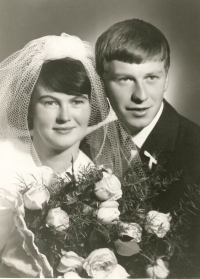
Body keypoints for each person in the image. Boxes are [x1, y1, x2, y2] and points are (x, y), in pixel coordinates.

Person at [0, 33, 135, 277]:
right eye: (50, 102)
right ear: (29, 109)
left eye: (76, 102)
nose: (65, 116)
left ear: (91, 108)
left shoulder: (95, 179)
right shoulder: (4, 160)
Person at [95, 18, 200, 277]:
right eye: (124, 79)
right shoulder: (86, 143)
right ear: (102, 83)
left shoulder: (194, 148)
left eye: (151, 77)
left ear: (166, 80)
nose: (140, 95)